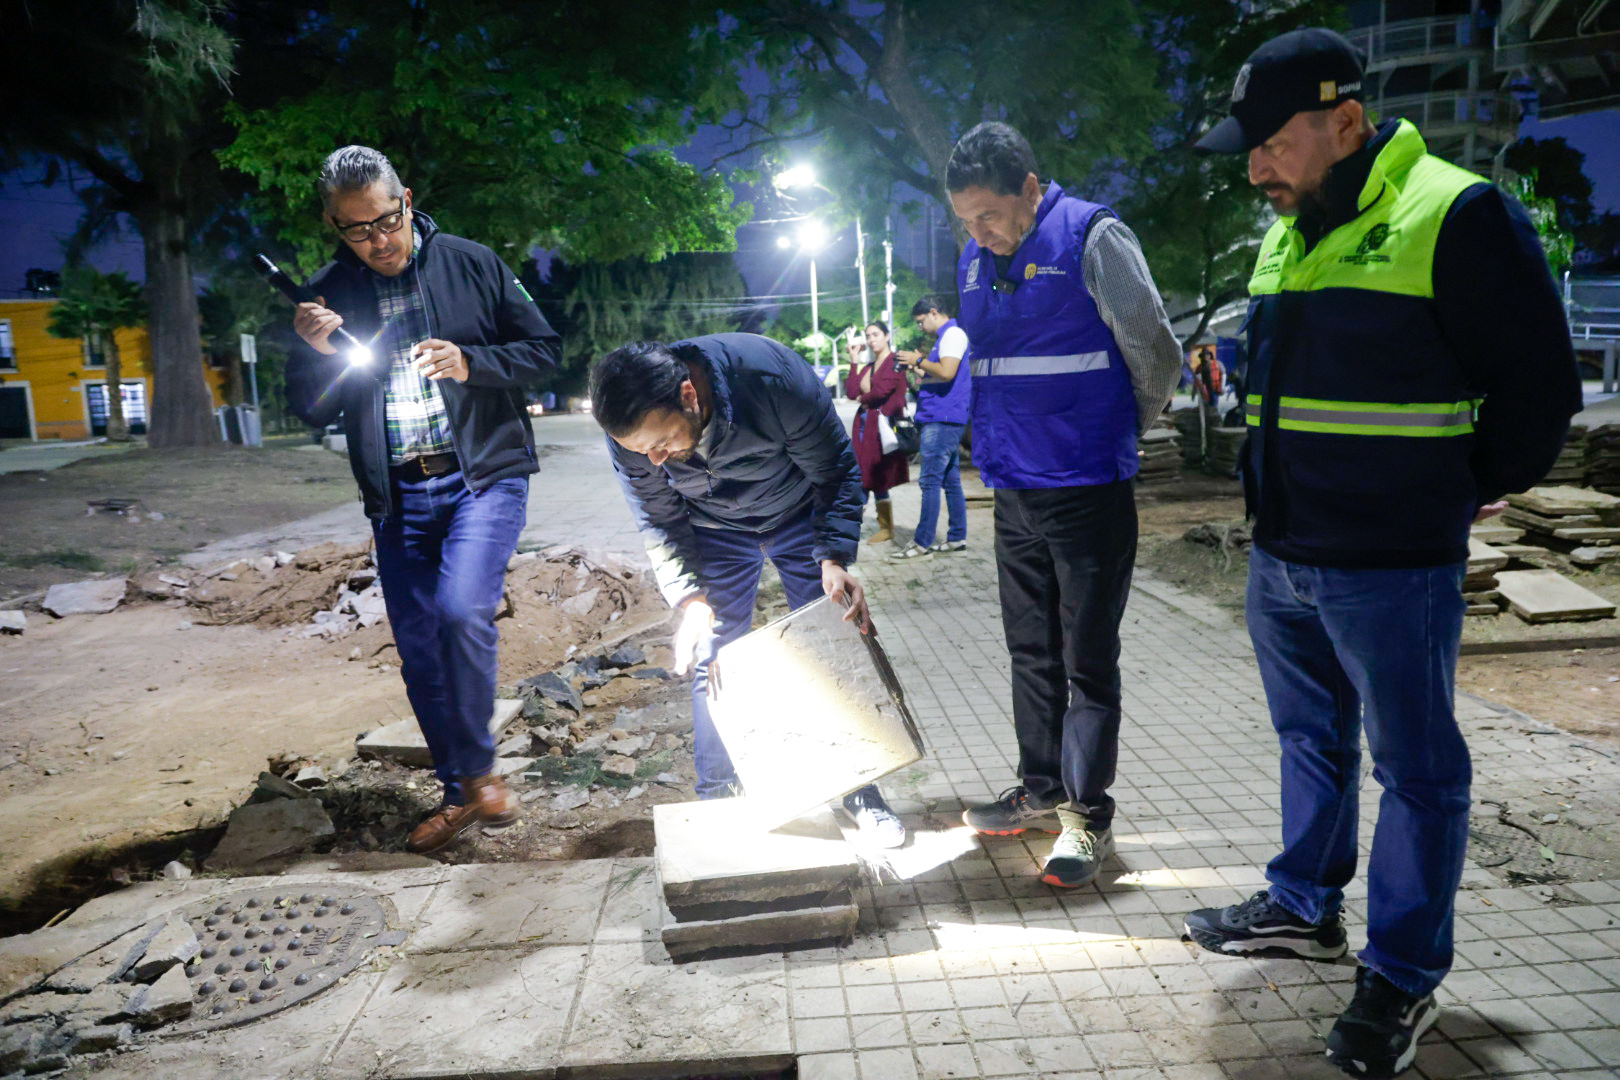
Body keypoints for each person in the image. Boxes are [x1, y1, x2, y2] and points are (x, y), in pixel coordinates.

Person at [1182, 29, 1581, 1079]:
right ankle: (1305, 904)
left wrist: (1457, 486)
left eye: (1271, 143)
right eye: (1251, 149)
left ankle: (1401, 972)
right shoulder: (1289, 228)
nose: (1256, 167)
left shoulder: (1455, 213)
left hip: (1394, 565)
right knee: (1309, 741)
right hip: (1285, 558)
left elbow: (1542, 388)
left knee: (1418, 773)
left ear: (1346, 121)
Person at [285, 146, 560, 855]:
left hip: (483, 477)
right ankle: (458, 790)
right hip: (396, 494)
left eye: (387, 219)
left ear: (405, 198)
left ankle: (479, 774)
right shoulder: (326, 293)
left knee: (463, 610)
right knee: (418, 651)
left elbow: (545, 352)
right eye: (357, 230)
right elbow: (309, 410)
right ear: (333, 225)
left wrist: (474, 363)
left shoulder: (471, 261)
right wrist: (314, 352)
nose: (379, 240)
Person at [946, 121, 1182, 888]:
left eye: (989, 215)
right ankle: (1040, 787)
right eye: (966, 221)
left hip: (1087, 491)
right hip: (1013, 491)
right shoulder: (976, 265)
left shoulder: (1091, 238)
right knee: (1030, 652)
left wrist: (1113, 431)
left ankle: (1087, 818)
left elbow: (1156, 351)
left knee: (1087, 660)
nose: (979, 233)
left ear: (1030, 189)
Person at [588, 334, 907, 847]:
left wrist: (833, 556)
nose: (655, 460)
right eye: (642, 452)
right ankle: (719, 795)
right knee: (709, 652)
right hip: (712, 527)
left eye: (661, 443)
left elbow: (835, 472)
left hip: (798, 511)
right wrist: (690, 600)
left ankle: (860, 790)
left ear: (690, 396)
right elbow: (657, 516)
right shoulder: (631, 431)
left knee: (831, 637)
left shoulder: (772, 379)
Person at [890, 295, 971, 561]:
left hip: (942, 417)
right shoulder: (946, 337)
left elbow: (947, 372)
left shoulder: (953, 334)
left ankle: (922, 542)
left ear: (934, 313)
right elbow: (940, 375)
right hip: (941, 415)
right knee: (950, 481)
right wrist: (916, 367)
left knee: (929, 481)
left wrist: (919, 358)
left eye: (921, 321)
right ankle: (957, 537)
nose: (920, 327)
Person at [843, 322, 909, 545]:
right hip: (864, 426)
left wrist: (865, 397)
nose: (871, 340)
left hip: (881, 427)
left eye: (876, 335)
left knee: (875, 477)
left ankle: (879, 528)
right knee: (863, 475)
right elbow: (852, 391)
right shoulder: (869, 365)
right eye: (868, 336)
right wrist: (854, 360)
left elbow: (882, 390)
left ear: (887, 336)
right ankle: (867, 527)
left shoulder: (895, 362)